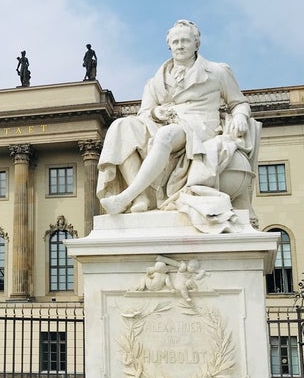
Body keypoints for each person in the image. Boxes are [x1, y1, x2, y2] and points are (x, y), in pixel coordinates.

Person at [97, 20, 256, 229]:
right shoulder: (155, 81)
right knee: (121, 128)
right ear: (169, 45)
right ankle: (141, 198)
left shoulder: (217, 71)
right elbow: (144, 113)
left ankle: (127, 195)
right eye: (175, 41)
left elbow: (239, 103)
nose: (180, 45)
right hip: (164, 122)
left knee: (166, 135)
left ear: (196, 44)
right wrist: (156, 111)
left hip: (199, 126)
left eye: (185, 41)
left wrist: (240, 117)